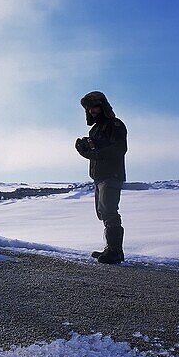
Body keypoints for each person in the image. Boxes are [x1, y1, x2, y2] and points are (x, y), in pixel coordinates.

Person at [75, 91, 127, 264]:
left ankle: (115, 251)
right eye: (89, 109)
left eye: (94, 107)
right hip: (100, 177)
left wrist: (93, 152)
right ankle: (111, 248)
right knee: (103, 212)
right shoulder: (95, 130)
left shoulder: (115, 125)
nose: (92, 111)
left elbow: (119, 149)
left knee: (109, 211)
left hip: (111, 175)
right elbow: (95, 152)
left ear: (103, 106)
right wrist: (86, 151)